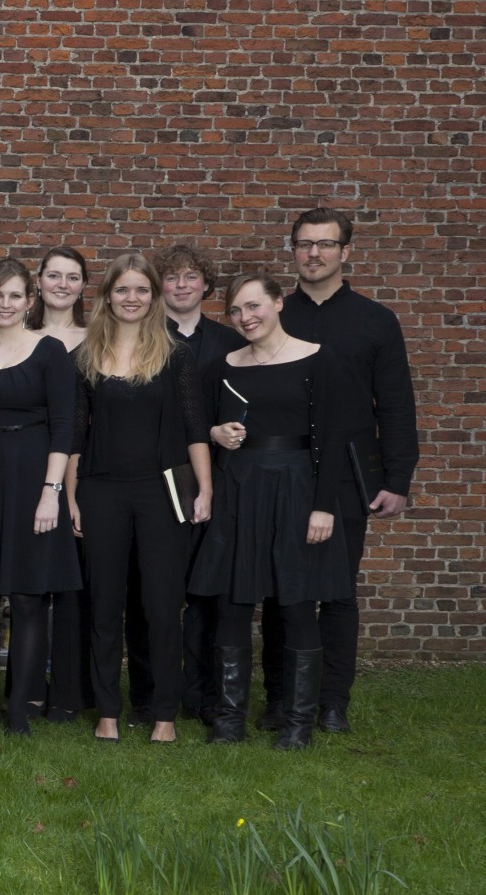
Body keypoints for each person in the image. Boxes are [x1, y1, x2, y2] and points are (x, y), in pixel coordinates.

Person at [190, 272, 356, 749]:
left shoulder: (319, 360)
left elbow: (332, 438)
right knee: (232, 605)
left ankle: (299, 725)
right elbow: (196, 425)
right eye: (237, 310)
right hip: (239, 488)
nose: (246, 318)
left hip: (299, 488)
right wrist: (216, 434)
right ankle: (228, 722)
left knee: (300, 605)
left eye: (255, 306)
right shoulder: (220, 368)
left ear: (279, 303)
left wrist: (323, 507)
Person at [273, 207, 418, 734]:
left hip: (350, 475)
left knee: (336, 592)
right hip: (282, 469)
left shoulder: (375, 320)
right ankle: (282, 700)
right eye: (304, 244)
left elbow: (397, 405)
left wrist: (397, 479)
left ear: (345, 252)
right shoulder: (273, 314)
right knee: (282, 588)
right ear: (292, 250)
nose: (314, 253)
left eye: (325, 244)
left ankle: (333, 702)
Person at [69, 255, 210, 744]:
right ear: (107, 295)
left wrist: (205, 490)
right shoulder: (85, 356)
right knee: (104, 605)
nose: (132, 298)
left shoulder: (176, 355)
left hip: (162, 492)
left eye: (142, 291)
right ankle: (108, 711)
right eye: (123, 290)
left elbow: (195, 430)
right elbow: (73, 435)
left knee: (161, 605)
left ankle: (164, 716)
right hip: (101, 489)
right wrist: (69, 497)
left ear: (154, 297)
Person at [0, 258, 79, 735]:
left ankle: (19, 709)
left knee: (28, 598)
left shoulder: (50, 352)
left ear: (30, 301)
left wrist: (52, 492)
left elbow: (65, 427)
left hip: (32, 478)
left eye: (15, 296)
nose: (6, 304)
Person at [154, 242, 246, 721]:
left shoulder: (231, 342)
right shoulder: (146, 338)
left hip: (223, 477)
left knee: (211, 588)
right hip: (164, 475)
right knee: (166, 589)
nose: (182, 285)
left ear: (206, 285)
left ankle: (208, 693)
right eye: (172, 278)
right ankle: (161, 690)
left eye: (191, 277)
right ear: (160, 286)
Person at [28, 245, 93, 721]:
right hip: (34, 469)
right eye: (54, 275)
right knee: (29, 585)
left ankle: (70, 691)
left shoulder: (98, 339)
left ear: (83, 287)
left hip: (90, 472)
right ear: (39, 282)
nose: (62, 284)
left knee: (77, 588)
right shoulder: (18, 335)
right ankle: (28, 687)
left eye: (72, 277)